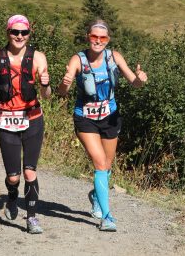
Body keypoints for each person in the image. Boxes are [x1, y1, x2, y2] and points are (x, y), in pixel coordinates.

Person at [58, 19, 147, 232]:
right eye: (94, 37)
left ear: (108, 40)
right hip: (85, 118)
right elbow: (62, 92)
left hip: (110, 117)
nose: (98, 41)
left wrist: (141, 80)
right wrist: (65, 83)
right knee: (99, 164)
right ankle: (107, 217)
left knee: (107, 166)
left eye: (102, 38)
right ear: (87, 37)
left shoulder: (114, 57)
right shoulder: (77, 60)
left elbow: (133, 82)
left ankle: (96, 195)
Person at [0, 14, 51, 234]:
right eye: (15, 32)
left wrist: (45, 85)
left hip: (33, 119)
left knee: (29, 172)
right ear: (8, 33)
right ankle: (12, 195)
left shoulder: (38, 57)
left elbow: (46, 95)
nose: (19, 36)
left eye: (23, 32)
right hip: (7, 121)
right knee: (14, 177)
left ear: (28, 34)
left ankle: (32, 218)